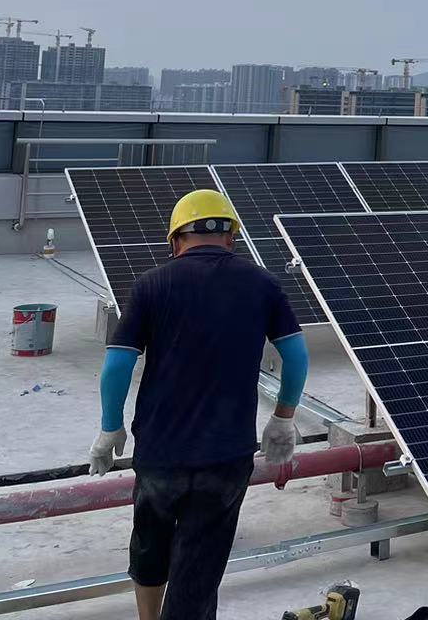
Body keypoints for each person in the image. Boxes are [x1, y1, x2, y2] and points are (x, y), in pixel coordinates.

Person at [88, 188, 308, 620]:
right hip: (225, 456)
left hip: (159, 454)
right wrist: (283, 418)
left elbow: (117, 365)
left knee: (149, 546)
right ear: (231, 238)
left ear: (175, 240)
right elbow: (297, 356)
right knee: (198, 572)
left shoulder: (151, 284)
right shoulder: (263, 283)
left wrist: (110, 427)